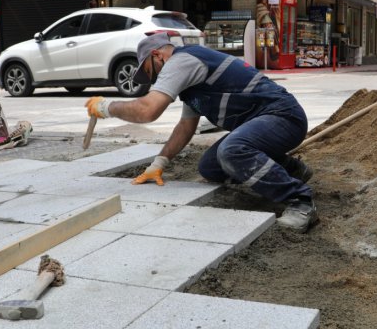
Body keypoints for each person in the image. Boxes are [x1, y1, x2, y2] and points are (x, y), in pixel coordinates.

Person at [84, 33, 318, 232]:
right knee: (210, 167)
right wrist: (159, 162)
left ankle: (300, 201)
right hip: (265, 124)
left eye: (150, 72)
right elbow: (186, 127)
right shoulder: (192, 83)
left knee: (232, 151)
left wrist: (107, 107)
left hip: (283, 117)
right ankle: (292, 169)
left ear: (158, 55)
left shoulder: (182, 61)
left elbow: (148, 110)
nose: (154, 79)